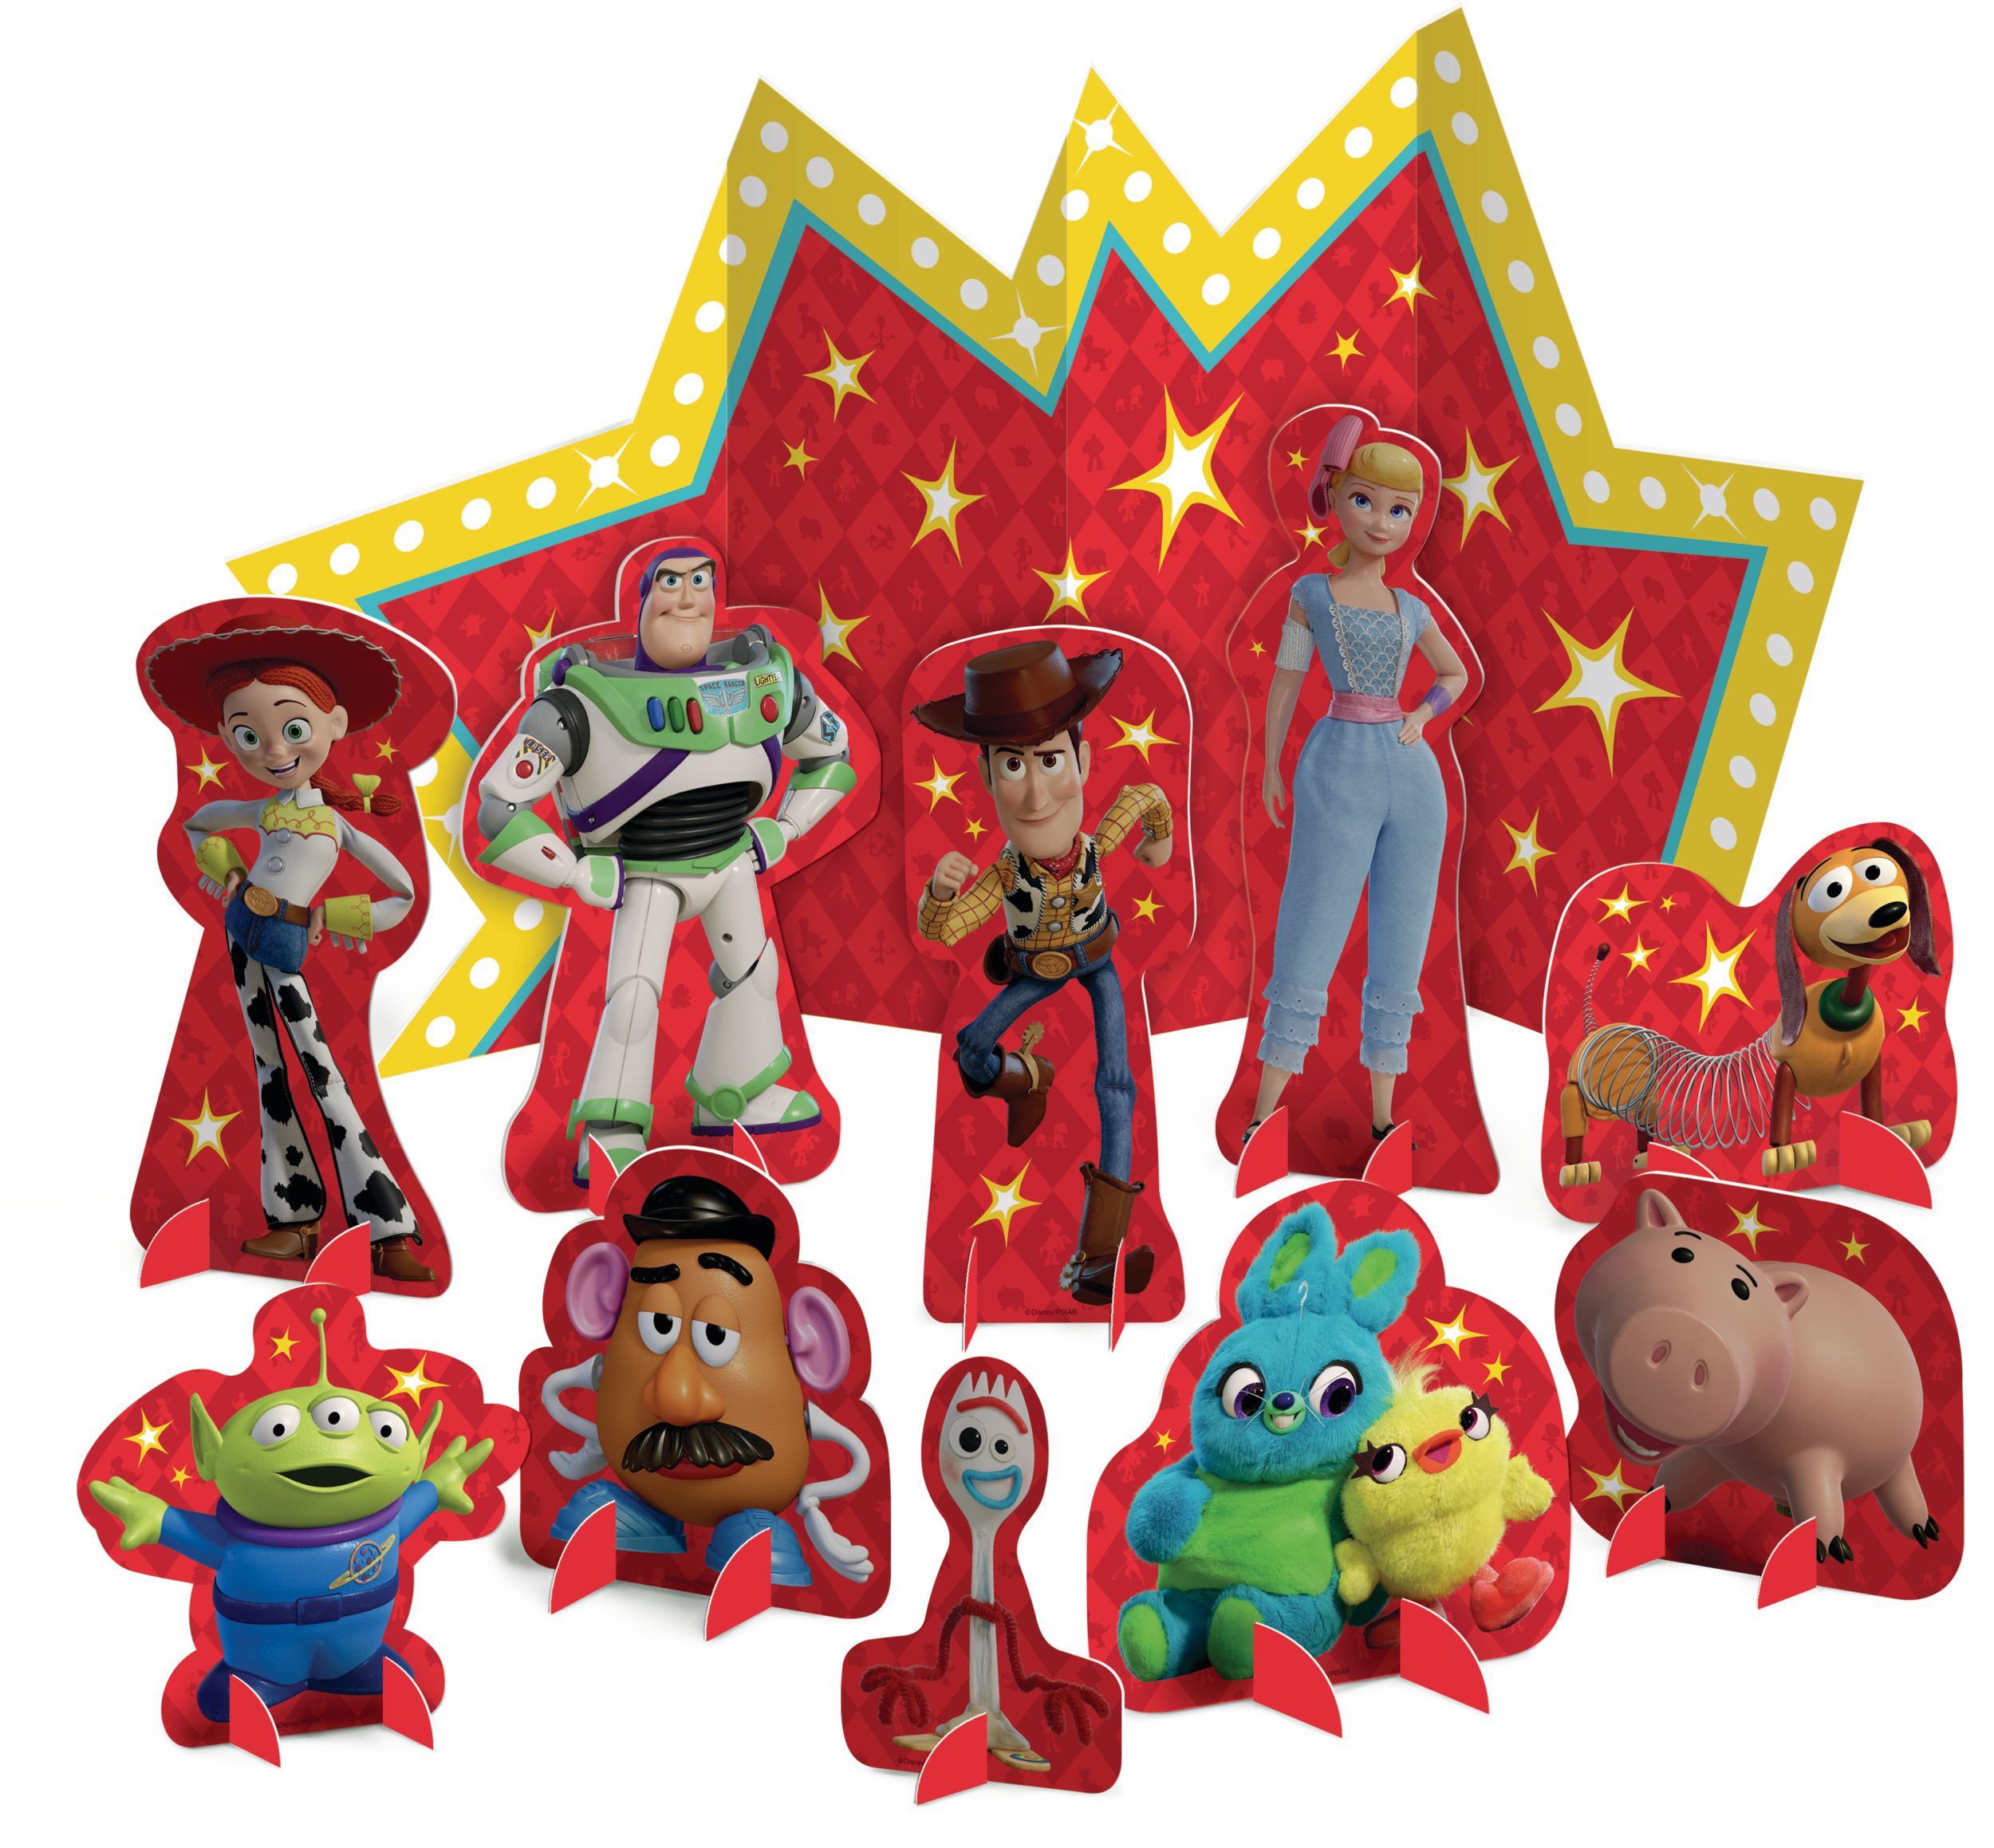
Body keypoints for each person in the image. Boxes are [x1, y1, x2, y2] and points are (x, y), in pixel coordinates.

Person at [475, 540, 856, 1178]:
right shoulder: (577, 705)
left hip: (732, 858)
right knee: (633, 998)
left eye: (702, 582)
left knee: (753, 977)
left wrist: (787, 827)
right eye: (671, 582)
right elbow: (499, 809)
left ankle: (737, 1092)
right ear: (643, 596)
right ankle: (611, 1128)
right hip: (648, 871)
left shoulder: (770, 680)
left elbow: (831, 755)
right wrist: (573, 871)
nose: (688, 598)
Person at [144, 609, 432, 1281]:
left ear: (335, 724)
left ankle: (385, 1225)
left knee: (320, 1068)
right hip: (241, 927)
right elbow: (198, 822)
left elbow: (405, 893)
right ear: (227, 736)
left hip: (284, 935)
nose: (273, 752)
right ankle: (295, 1218)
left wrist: (333, 913)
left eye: (293, 729)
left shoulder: (335, 823)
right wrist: (228, 872)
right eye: (248, 735)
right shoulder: (265, 809)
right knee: (268, 1068)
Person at [912, 640, 1172, 1306]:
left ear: (1081, 761)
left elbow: (1147, 795)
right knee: (971, 1051)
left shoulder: (1096, 846)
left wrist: (1159, 842)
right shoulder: (1003, 874)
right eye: (1012, 765)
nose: (1034, 793)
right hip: (1032, 969)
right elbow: (945, 929)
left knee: (1116, 1086)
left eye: (1050, 760)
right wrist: (938, 893)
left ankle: (1098, 1260)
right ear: (986, 774)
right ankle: (1025, 1080)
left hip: (1098, 960)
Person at [1249, 416, 1469, 1145]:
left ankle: (1382, 1119)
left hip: (1414, 779)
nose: (1381, 521)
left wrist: (1422, 716)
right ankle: (1262, 1114)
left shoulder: (1415, 608)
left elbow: (1456, 673)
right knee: (1311, 925)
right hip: (1337, 763)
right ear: (1336, 498)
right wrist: (1271, 761)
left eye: (1400, 509)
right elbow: (1286, 679)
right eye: (1366, 501)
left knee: (1402, 939)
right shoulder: (1311, 594)